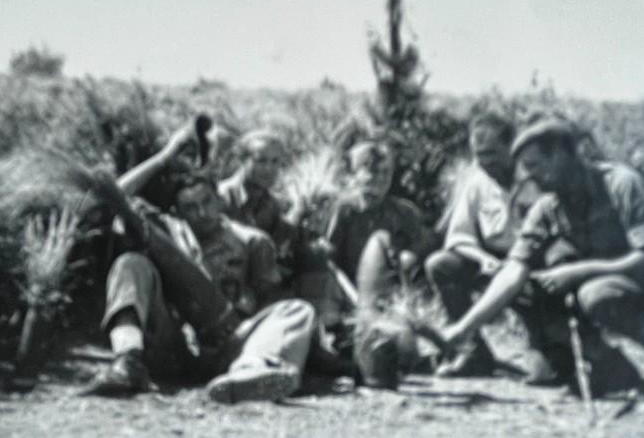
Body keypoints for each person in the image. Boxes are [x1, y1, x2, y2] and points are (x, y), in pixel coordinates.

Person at [436, 117, 644, 411]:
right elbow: (513, 271)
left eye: (535, 164)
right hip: (598, 287)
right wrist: (464, 328)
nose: (528, 176)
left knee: (596, 294)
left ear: (562, 155)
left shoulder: (621, 184)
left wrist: (577, 271)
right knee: (532, 287)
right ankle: (604, 363)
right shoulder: (547, 206)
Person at [82, 167, 316, 404]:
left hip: (229, 346)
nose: (202, 213)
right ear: (178, 212)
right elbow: (108, 198)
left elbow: (270, 301)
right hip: (175, 347)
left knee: (297, 309)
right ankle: (128, 360)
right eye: (191, 208)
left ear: (219, 200)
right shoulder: (167, 232)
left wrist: (247, 314)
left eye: (207, 202)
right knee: (130, 263)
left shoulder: (252, 241)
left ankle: (251, 373)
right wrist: (165, 157)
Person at [426, 112, 554, 379]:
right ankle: (473, 352)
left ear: (511, 147)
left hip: (536, 267)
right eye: (478, 155)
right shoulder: (475, 183)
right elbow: (459, 238)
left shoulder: (537, 178)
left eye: (492, 154)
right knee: (441, 265)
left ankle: (546, 348)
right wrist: (482, 258)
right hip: (492, 263)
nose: (484, 163)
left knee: (545, 375)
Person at [317, 140, 427, 313]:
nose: (381, 178)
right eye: (373, 172)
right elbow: (331, 259)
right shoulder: (344, 210)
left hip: (394, 290)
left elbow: (419, 249)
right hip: (352, 290)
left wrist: (409, 257)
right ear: (355, 174)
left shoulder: (404, 212)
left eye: (386, 172)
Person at [218, 129, 304, 290]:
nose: (269, 169)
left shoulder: (272, 204)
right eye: (261, 161)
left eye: (275, 162)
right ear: (243, 161)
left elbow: (277, 246)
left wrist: (298, 212)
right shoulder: (221, 198)